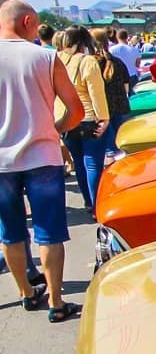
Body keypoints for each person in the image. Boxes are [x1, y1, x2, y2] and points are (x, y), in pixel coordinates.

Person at [0, 0, 84, 321]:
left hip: (2, 163)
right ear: (27, 23)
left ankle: (25, 293)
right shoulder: (45, 58)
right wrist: (57, 128)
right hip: (42, 155)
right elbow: (75, 110)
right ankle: (56, 301)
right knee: (49, 232)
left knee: (11, 232)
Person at [55, 26, 110, 216]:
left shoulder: (57, 60)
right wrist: (104, 118)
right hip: (88, 116)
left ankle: (88, 201)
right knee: (93, 163)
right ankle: (97, 205)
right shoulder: (88, 62)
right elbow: (96, 93)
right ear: (83, 42)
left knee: (78, 162)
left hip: (65, 119)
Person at [90, 28, 131, 155]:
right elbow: (126, 86)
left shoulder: (91, 64)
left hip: (102, 110)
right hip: (121, 106)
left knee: (110, 151)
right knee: (122, 148)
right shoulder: (117, 62)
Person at [110, 29, 142, 94]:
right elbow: (137, 64)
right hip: (132, 75)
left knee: (122, 97)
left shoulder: (111, 50)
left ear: (117, 37)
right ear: (127, 37)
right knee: (134, 97)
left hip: (118, 76)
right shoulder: (134, 49)